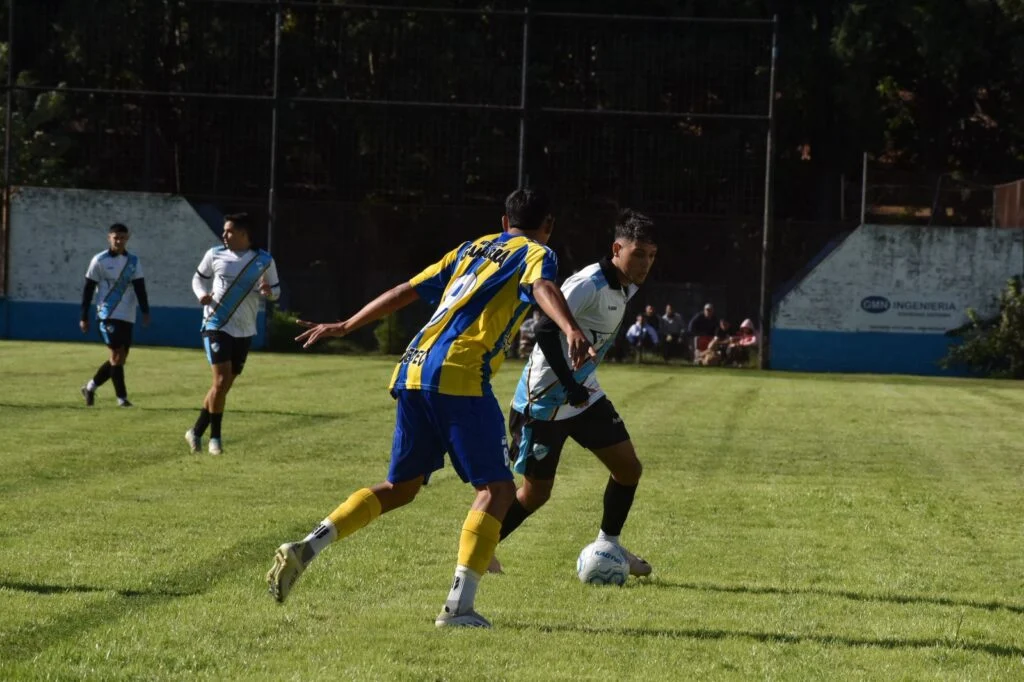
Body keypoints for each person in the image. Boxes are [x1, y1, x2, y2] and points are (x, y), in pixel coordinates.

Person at [265, 189, 594, 629]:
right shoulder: (537, 252)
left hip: (413, 368)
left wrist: (346, 324)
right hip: (460, 373)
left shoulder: (470, 249)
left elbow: (406, 290)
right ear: (548, 225)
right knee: (497, 491)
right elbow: (542, 286)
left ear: (503, 221)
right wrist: (570, 327)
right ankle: (458, 609)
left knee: (400, 487)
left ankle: (307, 546)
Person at [490, 209, 657, 578]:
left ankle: (609, 544)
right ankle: (481, 547)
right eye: (638, 254)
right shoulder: (587, 284)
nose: (646, 263)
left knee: (628, 469)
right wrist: (568, 385)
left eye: (651, 255)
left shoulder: (625, 285)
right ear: (617, 249)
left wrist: (578, 386)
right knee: (535, 494)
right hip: (545, 399)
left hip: (583, 393)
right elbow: (544, 329)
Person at [185, 213, 280, 456]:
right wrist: (201, 295)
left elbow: (276, 292)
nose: (224, 235)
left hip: (245, 329)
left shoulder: (263, 260)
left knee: (223, 386)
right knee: (220, 381)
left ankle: (196, 431)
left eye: (229, 231)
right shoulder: (214, 254)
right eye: (224, 230)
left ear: (244, 234)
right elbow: (198, 279)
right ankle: (215, 439)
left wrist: (268, 292)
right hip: (216, 324)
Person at [79, 223, 150, 408]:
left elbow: (140, 287)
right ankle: (122, 398)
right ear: (109, 238)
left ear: (127, 238)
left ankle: (90, 387)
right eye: (115, 237)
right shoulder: (99, 260)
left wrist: (145, 311)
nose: (119, 241)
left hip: (127, 314)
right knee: (117, 355)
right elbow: (88, 288)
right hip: (107, 314)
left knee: (120, 358)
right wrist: (84, 316)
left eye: (122, 238)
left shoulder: (133, 261)